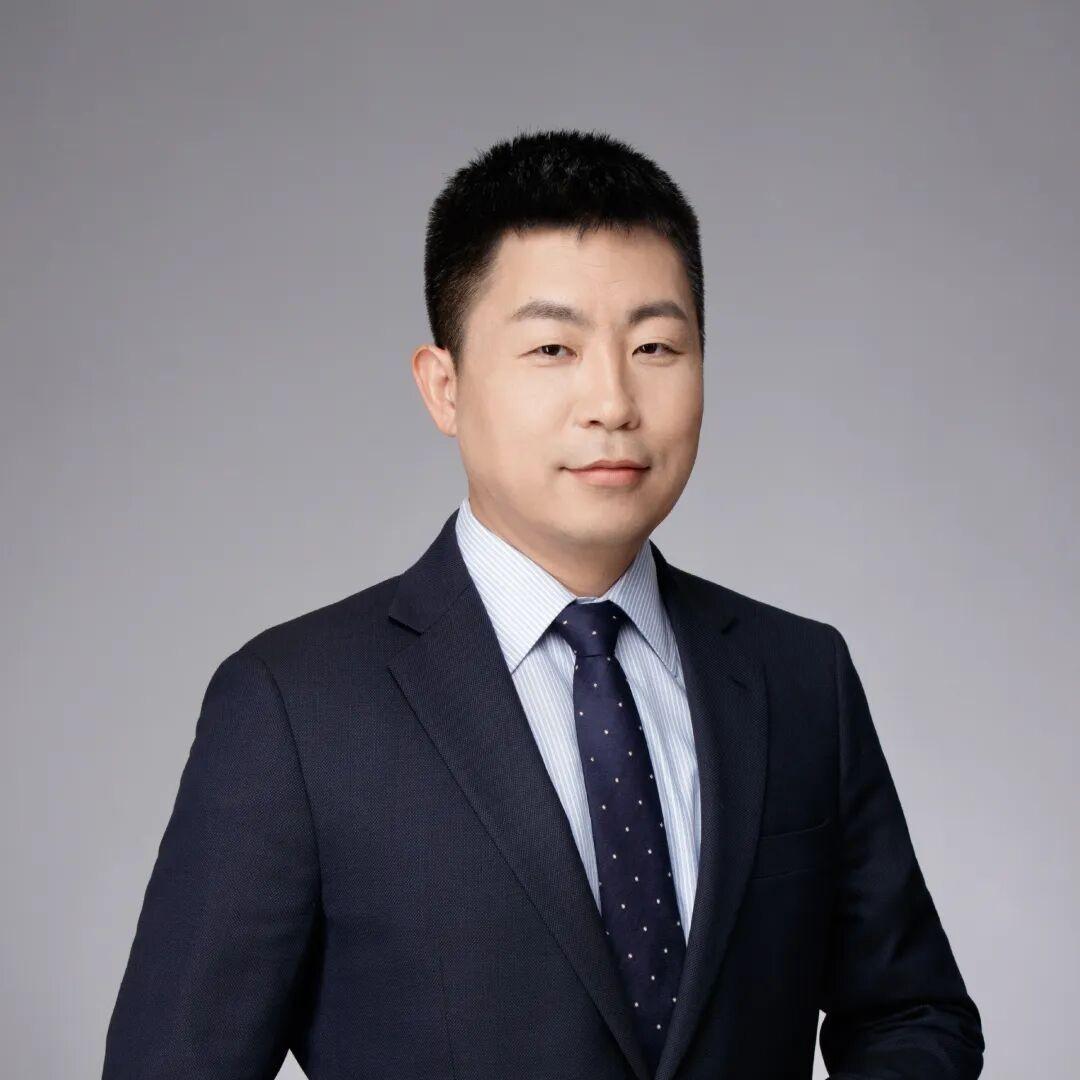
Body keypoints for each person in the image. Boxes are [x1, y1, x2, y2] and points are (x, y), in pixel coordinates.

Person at [101, 128, 984, 1079]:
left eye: (655, 346)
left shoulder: (799, 674)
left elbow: (912, 1014)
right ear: (444, 387)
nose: (612, 401)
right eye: (553, 347)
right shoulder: (296, 706)